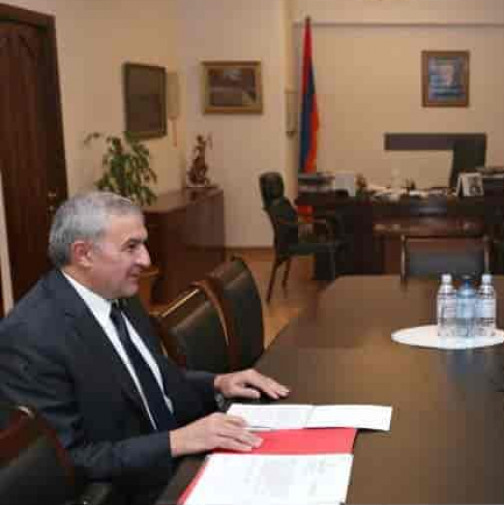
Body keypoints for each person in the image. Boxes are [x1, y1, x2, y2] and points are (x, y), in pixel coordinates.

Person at [0, 191, 290, 505]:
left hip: (185, 461)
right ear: (83, 254)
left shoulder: (116, 293)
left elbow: (151, 376)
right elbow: (69, 461)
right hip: (136, 490)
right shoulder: (31, 337)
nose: (146, 260)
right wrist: (177, 441)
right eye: (131, 247)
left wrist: (217, 383)